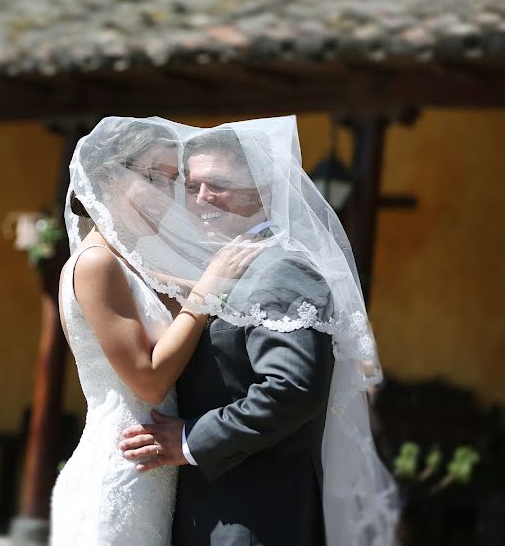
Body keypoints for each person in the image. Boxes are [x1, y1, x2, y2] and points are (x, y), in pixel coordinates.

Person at [116, 117, 400, 545]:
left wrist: (191, 440)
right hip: (213, 502)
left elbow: (292, 388)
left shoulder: (283, 269)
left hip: (252, 510)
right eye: (192, 187)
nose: (202, 199)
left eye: (220, 185)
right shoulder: (236, 264)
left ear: (263, 191)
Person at [49, 118, 263, 546]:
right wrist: (207, 290)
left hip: (155, 471)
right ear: (107, 178)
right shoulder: (96, 264)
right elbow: (148, 382)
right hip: (122, 469)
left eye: (171, 181)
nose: (165, 196)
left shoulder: (135, 265)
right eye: (151, 177)